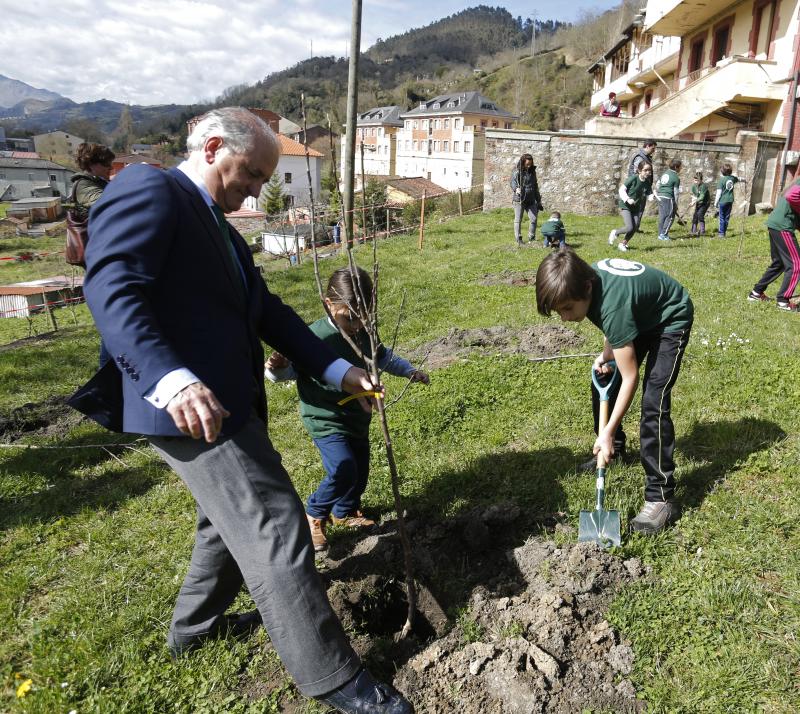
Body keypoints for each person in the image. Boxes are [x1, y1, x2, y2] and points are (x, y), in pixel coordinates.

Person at [75, 107, 412, 714]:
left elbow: (269, 312)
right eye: (252, 173)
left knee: (224, 525)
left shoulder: (220, 229)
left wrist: (338, 367)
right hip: (189, 407)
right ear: (210, 148)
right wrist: (171, 380)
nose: (258, 189)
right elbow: (112, 284)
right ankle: (336, 680)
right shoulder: (150, 187)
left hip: (221, 402)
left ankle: (192, 633)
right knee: (276, 523)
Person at [265, 266, 430, 551]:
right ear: (329, 304)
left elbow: (382, 357)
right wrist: (277, 368)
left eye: (362, 318)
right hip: (325, 419)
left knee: (359, 470)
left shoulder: (364, 332)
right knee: (343, 467)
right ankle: (314, 514)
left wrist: (408, 371)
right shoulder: (312, 338)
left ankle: (345, 512)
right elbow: (287, 374)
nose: (355, 325)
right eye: (349, 317)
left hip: (357, 417)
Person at [535, 250, 693, 535]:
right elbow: (613, 321)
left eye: (567, 308)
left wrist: (605, 430)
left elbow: (631, 376)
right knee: (605, 376)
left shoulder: (611, 305)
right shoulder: (584, 280)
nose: (564, 318)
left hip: (670, 319)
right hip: (640, 316)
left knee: (653, 403)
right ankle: (616, 449)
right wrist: (607, 353)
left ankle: (661, 497)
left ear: (587, 289)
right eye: (559, 311)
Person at [70, 142, 116, 368]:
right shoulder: (84, 185)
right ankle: (104, 385)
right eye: (105, 163)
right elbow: (106, 204)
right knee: (114, 321)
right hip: (99, 259)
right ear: (92, 163)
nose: (110, 167)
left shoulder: (100, 182)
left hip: (107, 256)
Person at [748, 177, 800, 312]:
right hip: (783, 227)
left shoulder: (796, 182)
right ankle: (783, 301)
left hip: (775, 224)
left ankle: (756, 293)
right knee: (796, 264)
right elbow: (791, 196)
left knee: (779, 263)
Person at [609, 162, 653, 252]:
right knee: (629, 227)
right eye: (645, 170)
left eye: (649, 170)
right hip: (626, 206)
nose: (648, 172)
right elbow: (622, 189)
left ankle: (623, 244)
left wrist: (652, 196)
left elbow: (648, 194)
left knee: (635, 226)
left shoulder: (647, 183)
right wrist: (627, 199)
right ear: (639, 170)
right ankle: (615, 232)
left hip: (636, 208)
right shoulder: (633, 179)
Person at [510, 153, 543, 247]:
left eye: (530, 164)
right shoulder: (517, 171)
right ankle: (518, 238)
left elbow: (535, 186)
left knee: (534, 218)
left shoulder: (532, 172)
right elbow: (512, 182)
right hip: (519, 199)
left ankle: (531, 237)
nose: (529, 166)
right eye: (527, 164)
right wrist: (516, 188)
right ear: (523, 162)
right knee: (518, 220)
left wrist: (538, 200)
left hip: (531, 199)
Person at [626, 139, 657, 232]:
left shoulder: (645, 156)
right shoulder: (640, 157)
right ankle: (632, 227)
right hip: (637, 187)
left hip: (642, 186)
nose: (654, 151)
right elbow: (637, 173)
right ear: (647, 146)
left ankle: (635, 227)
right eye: (653, 148)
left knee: (640, 207)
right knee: (636, 207)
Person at [655, 158, 682, 241]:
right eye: (680, 167)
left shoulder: (665, 173)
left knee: (662, 216)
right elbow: (676, 192)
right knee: (670, 217)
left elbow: (657, 184)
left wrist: (660, 192)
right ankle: (664, 234)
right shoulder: (676, 177)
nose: (681, 169)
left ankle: (660, 234)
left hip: (660, 196)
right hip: (668, 197)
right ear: (676, 167)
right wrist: (676, 204)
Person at [714, 163, 741, 237]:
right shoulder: (732, 178)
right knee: (727, 217)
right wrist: (745, 180)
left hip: (722, 201)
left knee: (721, 217)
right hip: (730, 200)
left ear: (722, 171)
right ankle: (724, 231)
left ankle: (721, 233)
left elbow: (718, 193)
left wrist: (715, 203)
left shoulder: (721, 180)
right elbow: (739, 179)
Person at [689, 171, 710, 236]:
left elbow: (702, 197)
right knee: (695, 215)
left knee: (700, 214)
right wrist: (692, 201)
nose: (696, 182)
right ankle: (693, 230)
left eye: (697, 180)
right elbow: (693, 195)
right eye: (695, 180)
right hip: (698, 202)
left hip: (705, 203)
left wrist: (694, 201)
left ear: (701, 180)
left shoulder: (704, 186)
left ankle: (702, 231)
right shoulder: (693, 186)